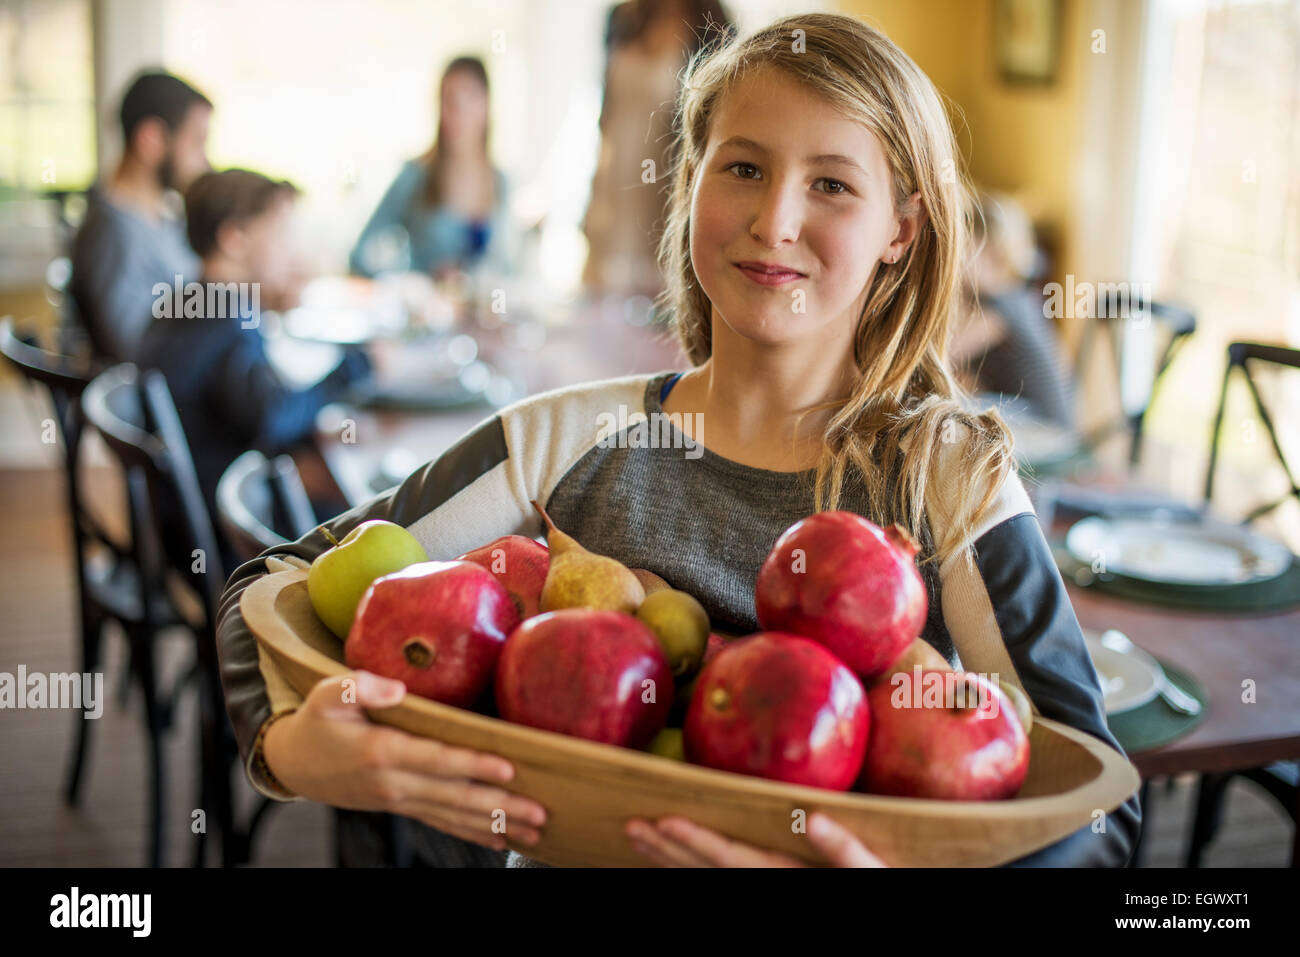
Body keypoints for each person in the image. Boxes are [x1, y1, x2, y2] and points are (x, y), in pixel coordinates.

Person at [215, 13, 1140, 868]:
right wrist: (294, 752)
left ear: (901, 227)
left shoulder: (947, 480)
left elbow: (1094, 807)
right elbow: (273, 586)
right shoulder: (569, 437)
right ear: (691, 179)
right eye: (741, 167)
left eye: (830, 183)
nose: (774, 219)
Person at [138, 169, 369, 573]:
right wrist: (355, 366)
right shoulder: (230, 315)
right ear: (235, 239)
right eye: (281, 234)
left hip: (182, 519)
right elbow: (270, 417)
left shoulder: (190, 301)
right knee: (371, 511)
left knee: (338, 478)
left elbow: (248, 406)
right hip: (222, 539)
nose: (292, 251)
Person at [581, 0, 734, 298]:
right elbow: (606, 111)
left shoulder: (713, 26)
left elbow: (712, 126)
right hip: (613, 181)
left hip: (666, 186)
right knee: (602, 294)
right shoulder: (621, 18)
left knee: (657, 298)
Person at [69, 71, 212, 361]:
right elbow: (132, 346)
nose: (205, 163)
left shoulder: (162, 216)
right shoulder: (112, 231)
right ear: (151, 139)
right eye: (196, 143)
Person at [348, 56, 514, 280]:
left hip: (483, 314)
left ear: (486, 104)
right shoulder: (415, 176)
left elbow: (508, 269)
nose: (459, 112)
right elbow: (361, 255)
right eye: (450, 100)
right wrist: (413, 278)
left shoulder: (502, 182)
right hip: (425, 312)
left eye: (470, 97)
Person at [950, 189, 1076, 429]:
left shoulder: (1005, 305)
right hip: (1038, 422)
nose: (955, 260)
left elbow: (948, 352)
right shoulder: (1019, 298)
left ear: (992, 252)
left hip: (1047, 431)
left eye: (964, 247)